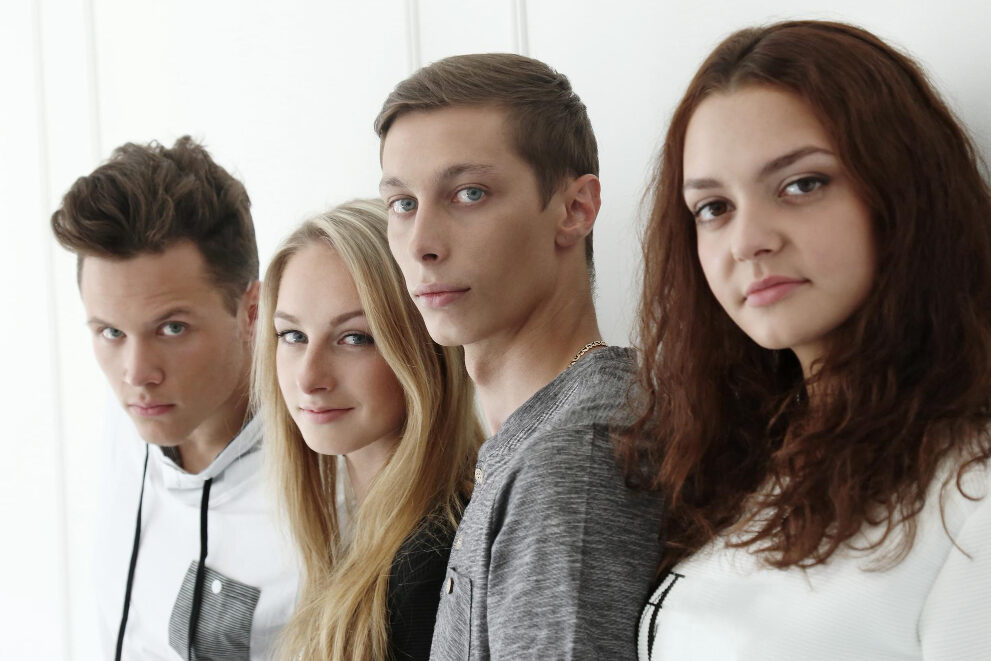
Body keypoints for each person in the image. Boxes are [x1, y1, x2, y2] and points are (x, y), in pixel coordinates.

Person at [628, 20, 991, 660]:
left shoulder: (970, 489)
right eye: (713, 207)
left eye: (802, 184)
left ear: (902, 189)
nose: (748, 241)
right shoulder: (737, 463)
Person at [376, 53, 663, 659]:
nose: (422, 243)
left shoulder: (575, 458)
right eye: (403, 204)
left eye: (469, 193)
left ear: (575, 210)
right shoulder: (538, 436)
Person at [50, 137, 298, 660]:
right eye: (110, 332)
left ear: (252, 310)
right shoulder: (129, 420)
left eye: (172, 328)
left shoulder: (329, 478)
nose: (136, 374)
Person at [251, 199, 484, 660]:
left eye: (354, 338)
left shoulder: (434, 563)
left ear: (422, 351)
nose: (308, 377)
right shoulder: (359, 529)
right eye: (292, 336)